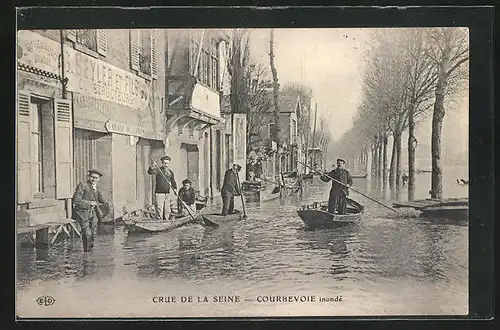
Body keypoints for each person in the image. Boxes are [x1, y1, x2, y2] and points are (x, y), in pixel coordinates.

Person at [72, 170, 109, 252]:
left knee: (92, 231)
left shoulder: (96, 187)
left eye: (96, 178)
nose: (93, 179)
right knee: (86, 232)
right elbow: (76, 200)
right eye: (92, 177)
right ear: (88, 177)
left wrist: (106, 203)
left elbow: (100, 197)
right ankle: (86, 254)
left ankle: (90, 251)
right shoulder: (83, 185)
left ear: (99, 179)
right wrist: (90, 203)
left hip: (92, 213)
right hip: (82, 212)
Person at [148, 156, 177, 220]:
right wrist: (152, 167)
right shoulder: (158, 170)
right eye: (164, 163)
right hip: (159, 193)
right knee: (159, 208)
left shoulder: (170, 172)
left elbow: (173, 181)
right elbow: (150, 172)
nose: (166, 165)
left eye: (167, 163)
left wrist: (175, 189)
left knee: (167, 208)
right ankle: (159, 220)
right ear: (162, 163)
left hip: (167, 193)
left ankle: (166, 220)